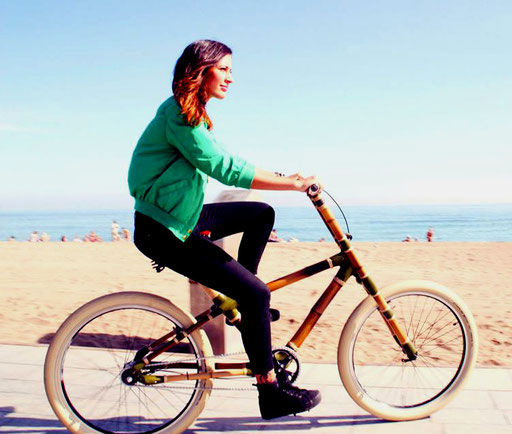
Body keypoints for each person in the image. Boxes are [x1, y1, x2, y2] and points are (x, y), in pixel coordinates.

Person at [128, 40, 322, 420]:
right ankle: (270, 393)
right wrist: (295, 184)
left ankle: (244, 302)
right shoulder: (180, 116)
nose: (232, 78)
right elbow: (225, 169)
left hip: (178, 217)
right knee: (256, 295)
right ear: (201, 70)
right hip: (162, 229)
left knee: (260, 215)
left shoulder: (191, 112)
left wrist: (286, 177)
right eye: (225, 69)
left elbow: (229, 159)